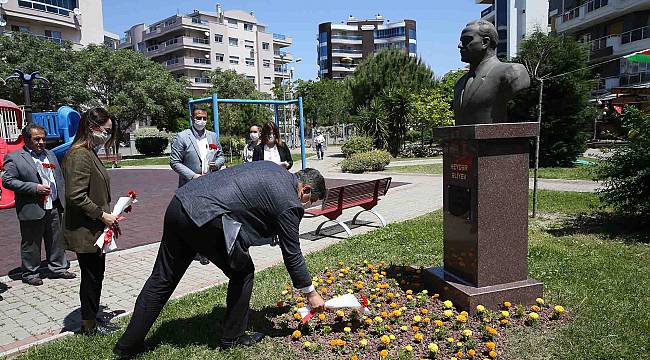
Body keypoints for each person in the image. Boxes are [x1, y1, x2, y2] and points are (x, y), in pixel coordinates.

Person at [113, 162, 327, 358]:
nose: (307, 205)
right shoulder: (290, 202)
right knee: (242, 272)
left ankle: (127, 345)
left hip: (180, 203)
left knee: (162, 278)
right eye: (311, 201)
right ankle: (232, 338)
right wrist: (311, 293)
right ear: (305, 189)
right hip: (205, 216)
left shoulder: (275, 169)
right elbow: (292, 253)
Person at [63, 107, 119, 335]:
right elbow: (75, 195)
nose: (106, 135)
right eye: (105, 131)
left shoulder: (89, 152)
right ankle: (89, 325)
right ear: (91, 128)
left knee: (96, 276)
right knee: (91, 277)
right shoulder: (79, 155)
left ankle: (93, 318)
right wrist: (102, 214)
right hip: (86, 230)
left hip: (95, 228)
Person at [2, 124, 76, 286]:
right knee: (31, 242)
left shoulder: (50, 154)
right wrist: (34, 188)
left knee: (56, 239)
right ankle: (30, 273)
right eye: (37, 139)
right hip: (32, 207)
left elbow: (58, 177)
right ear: (27, 139)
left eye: (43, 138)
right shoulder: (15, 157)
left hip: (54, 205)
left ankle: (58, 268)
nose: (41, 142)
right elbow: (7, 181)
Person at [170, 108, 225, 266]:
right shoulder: (182, 137)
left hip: (210, 183)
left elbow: (220, 155)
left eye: (204, 118)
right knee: (193, 219)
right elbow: (174, 162)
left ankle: (206, 249)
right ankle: (194, 249)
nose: (201, 121)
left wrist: (217, 163)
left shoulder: (213, 136)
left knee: (209, 217)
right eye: (198, 117)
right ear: (192, 118)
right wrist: (193, 176)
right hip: (191, 184)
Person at [453, 20, 530, 125]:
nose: (460, 45)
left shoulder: (512, 73)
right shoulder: (460, 83)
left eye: (466, 40)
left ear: (485, 42)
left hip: (498, 140)